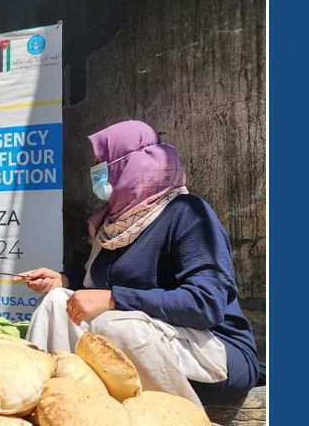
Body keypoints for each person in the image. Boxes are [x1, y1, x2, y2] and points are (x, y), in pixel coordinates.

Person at [13, 120, 259, 407]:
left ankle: (160, 415)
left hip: (212, 350)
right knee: (57, 302)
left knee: (118, 328)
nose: (95, 171)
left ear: (129, 165)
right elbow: (103, 286)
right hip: (145, 340)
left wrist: (114, 299)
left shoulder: (188, 214)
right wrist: (64, 281)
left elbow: (206, 304)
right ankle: (54, 401)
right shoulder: (115, 224)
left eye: (101, 163)